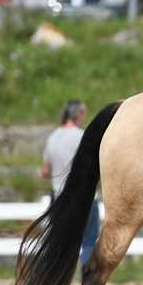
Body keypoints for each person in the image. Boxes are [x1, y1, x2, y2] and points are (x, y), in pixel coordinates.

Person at [41, 100, 100, 269]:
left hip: (59, 198)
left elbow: (45, 171)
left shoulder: (52, 137)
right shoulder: (82, 137)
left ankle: (51, 278)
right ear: (79, 114)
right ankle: (87, 282)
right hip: (84, 198)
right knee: (88, 241)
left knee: (57, 243)